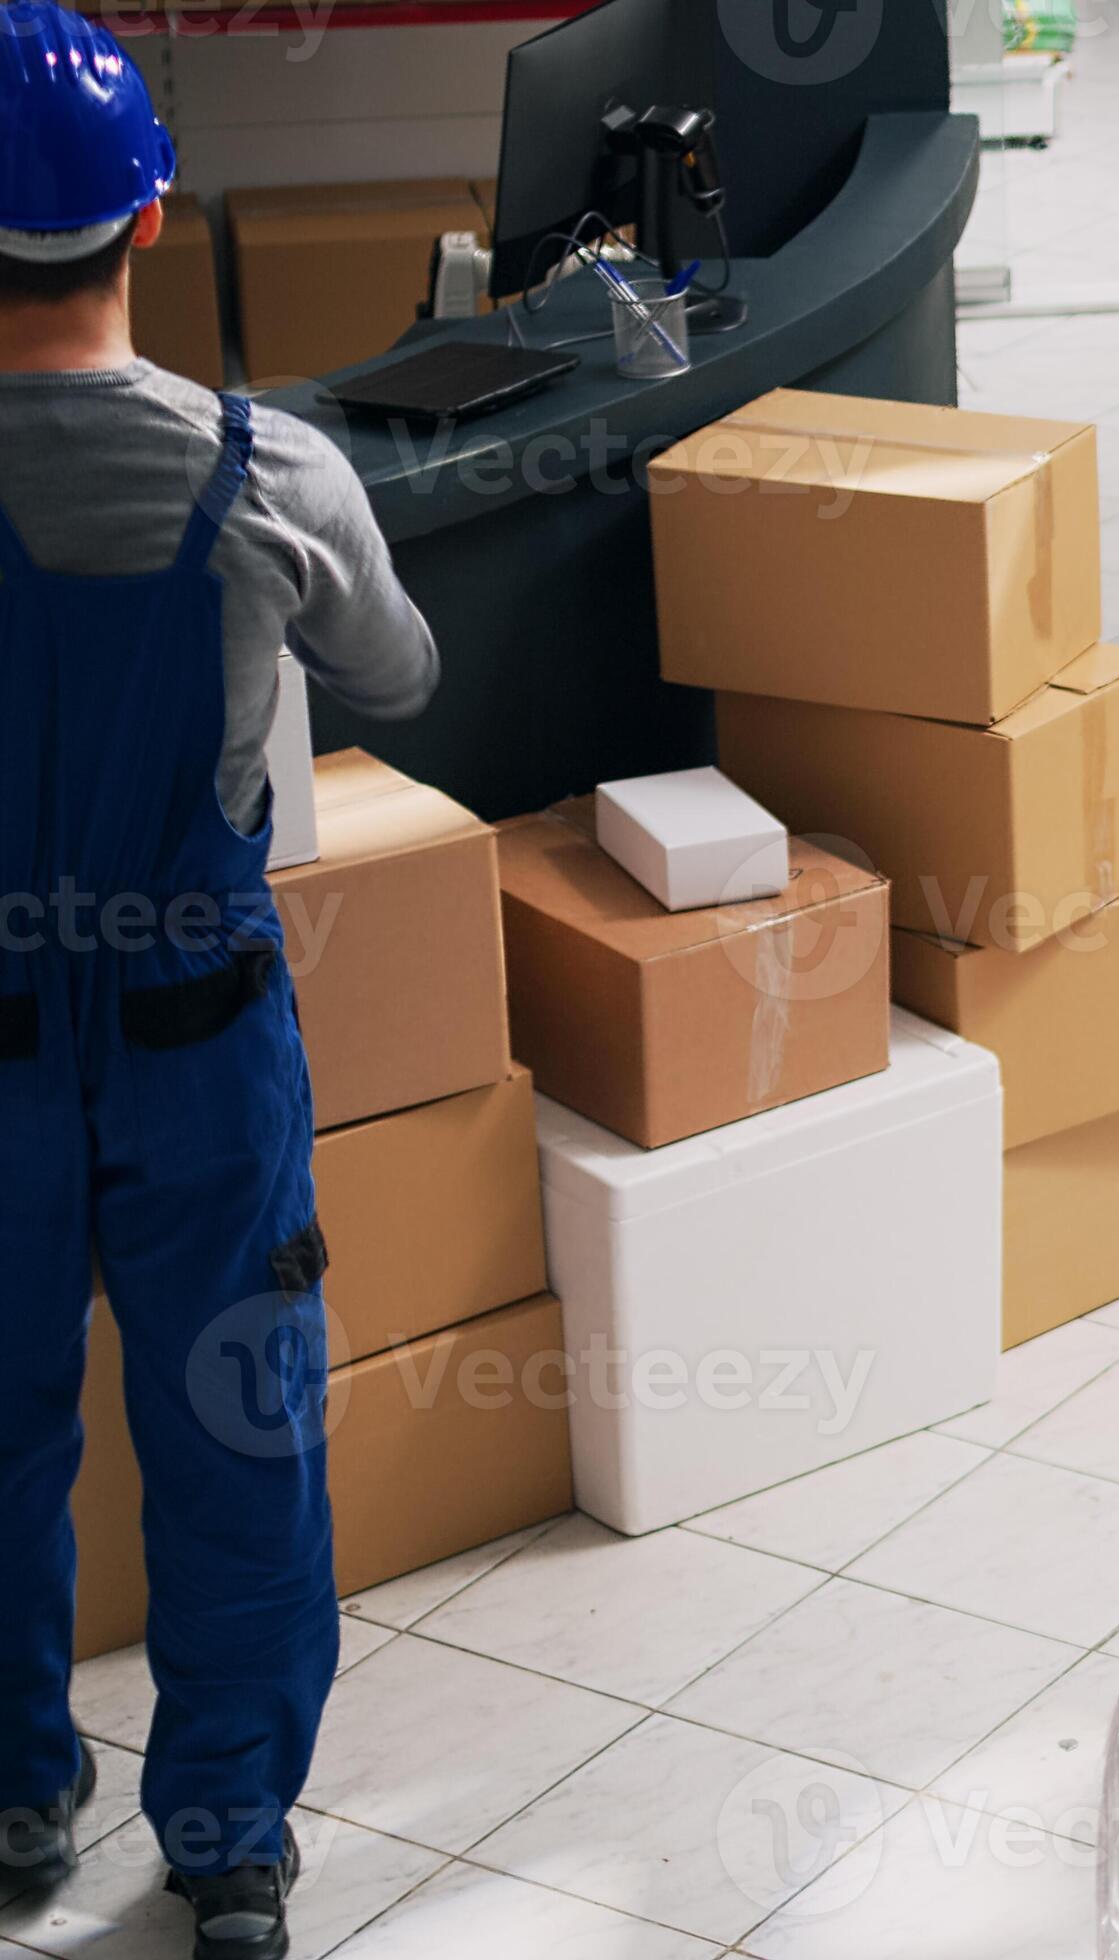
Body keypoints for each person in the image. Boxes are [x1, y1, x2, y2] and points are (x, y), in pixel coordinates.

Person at [0, 8, 440, 1955]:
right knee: (236, 1436)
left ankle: (15, 1790)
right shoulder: (268, 470)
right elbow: (400, 675)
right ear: (150, 219)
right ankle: (231, 1839)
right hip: (197, 1044)